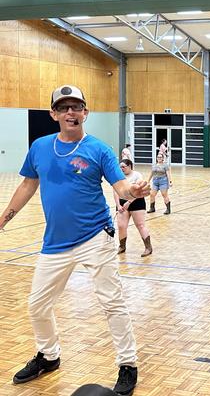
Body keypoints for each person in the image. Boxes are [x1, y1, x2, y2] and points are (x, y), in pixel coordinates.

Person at [0, 85, 145, 395]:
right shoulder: (39, 147)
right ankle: (49, 356)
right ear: (54, 114)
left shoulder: (99, 149)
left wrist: (135, 192)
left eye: (76, 107)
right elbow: (28, 184)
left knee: (112, 302)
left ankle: (127, 364)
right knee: (38, 305)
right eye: (63, 107)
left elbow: (121, 188)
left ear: (85, 113)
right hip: (55, 242)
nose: (70, 112)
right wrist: (4, 218)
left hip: (96, 236)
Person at [113, 159, 153, 257]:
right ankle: (122, 246)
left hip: (136, 202)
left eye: (123, 167)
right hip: (122, 203)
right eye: (120, 167)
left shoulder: (137, 175)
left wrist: (129, 202)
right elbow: (115, 191)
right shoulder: (118, 177)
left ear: (130, 166)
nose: (121, 169)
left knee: (140, 225)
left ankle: (148, 247)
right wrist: (118, 205)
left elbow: (138, 190)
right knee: (121, 226)